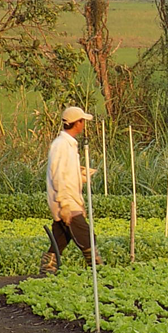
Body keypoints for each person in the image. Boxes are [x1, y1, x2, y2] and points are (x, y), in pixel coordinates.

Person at [39, 106, 101, 275]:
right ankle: (98, 273)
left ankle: (47, 269)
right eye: (82, 121)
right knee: (87, 239)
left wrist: (79, 173)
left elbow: (64, 172)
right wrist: (65, 205)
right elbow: (58, 176)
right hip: (66, 202)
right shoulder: (61, 146)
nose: (83, 125)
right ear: (77, 123)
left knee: (60, 240)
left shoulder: (68, 145)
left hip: (68, 200)